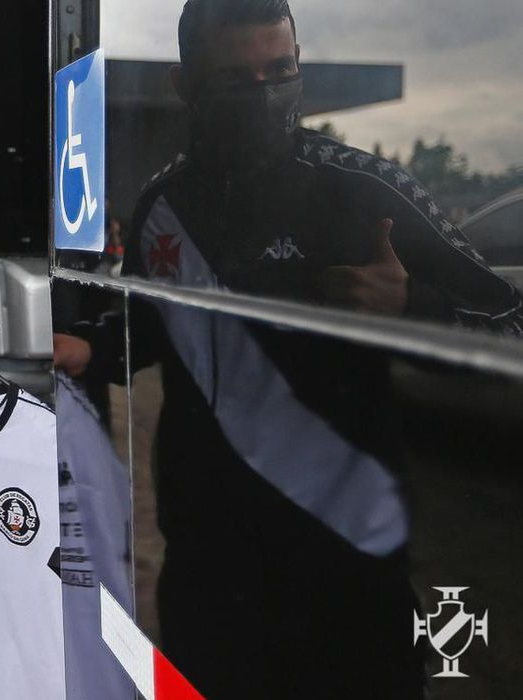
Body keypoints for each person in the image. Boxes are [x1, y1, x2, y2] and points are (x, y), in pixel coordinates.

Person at [55, 0, 523, 697]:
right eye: (237, 78)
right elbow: (153, 325)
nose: (265, 93)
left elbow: (510, 327)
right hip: (210, 576)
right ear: (188, 87)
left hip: (351, 572)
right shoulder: (165, 205)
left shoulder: (364, 191)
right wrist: (88, 349)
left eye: (282, 69)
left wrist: (407, 308)